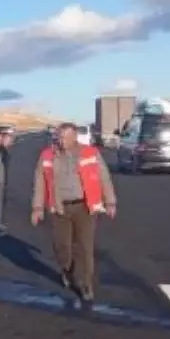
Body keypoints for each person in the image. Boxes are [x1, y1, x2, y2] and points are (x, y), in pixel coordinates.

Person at [30, 122, 118, 303]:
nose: (60, 141)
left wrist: (110, 201)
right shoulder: (47, 156)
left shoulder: (90, 153)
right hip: (59, 208)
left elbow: (103, 177)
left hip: (85, 207)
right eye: (59, 137)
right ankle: (67, 270)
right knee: (62, 247)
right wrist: (37, 207)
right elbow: (39, 182)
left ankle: (86, 284)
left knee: (85, 248)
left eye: (64, 137)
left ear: (74, 137)